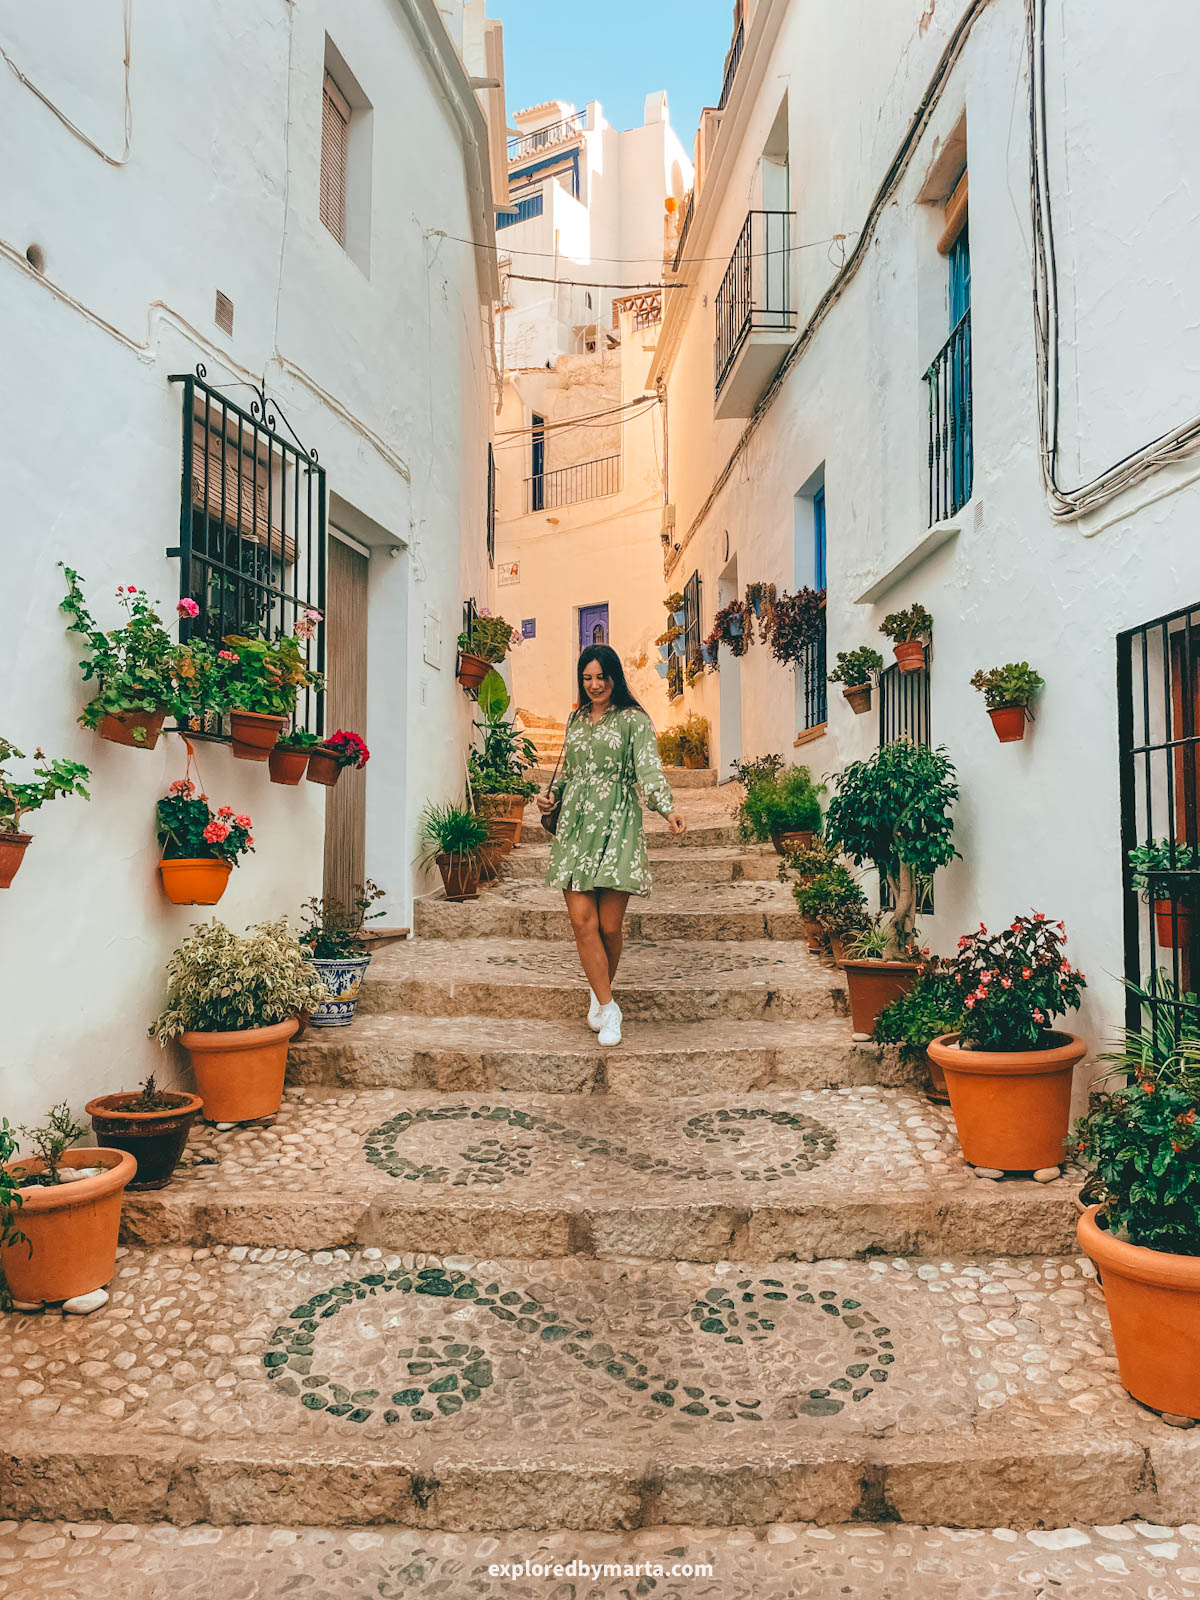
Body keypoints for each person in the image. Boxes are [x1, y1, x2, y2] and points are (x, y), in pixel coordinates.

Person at [536, 644, 687, 1047]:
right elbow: (567, 775)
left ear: (615, 677)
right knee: (581, 921)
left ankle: (598, 992)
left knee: (609, 925)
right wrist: (549, 798)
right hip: (575, 827)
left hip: (618, 822)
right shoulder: (576, 719)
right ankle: (610, 1005)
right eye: (587, 678)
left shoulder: (633, 720)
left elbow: (648, 770)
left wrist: (666, 808)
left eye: (601, 677)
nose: (594, 685)